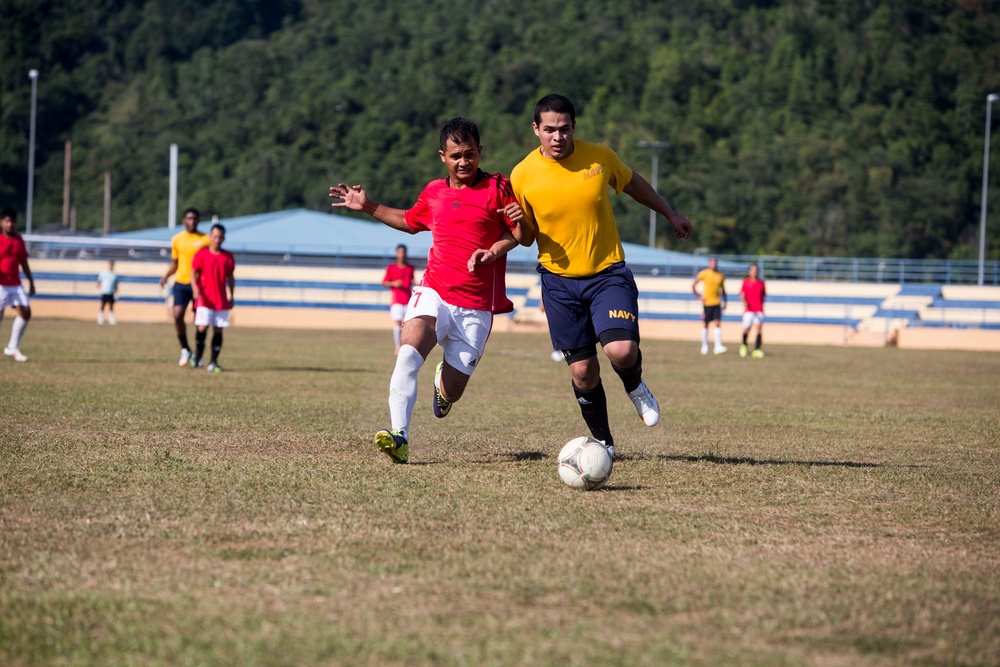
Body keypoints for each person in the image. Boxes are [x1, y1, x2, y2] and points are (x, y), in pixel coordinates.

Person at [330, 117, 528, 464]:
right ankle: (400, 436)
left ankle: (443, 387)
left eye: (469, 154)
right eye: (455, 155)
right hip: (434, 291)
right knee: (408, 352)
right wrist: (368, 206)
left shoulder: (500, 188)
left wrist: (506, 237)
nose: (463, 162)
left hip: (476, 306)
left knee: (453, 390)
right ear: (442, 156)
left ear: (480, 152)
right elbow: (409, 221)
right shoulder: (434, 192)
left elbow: (522, 236)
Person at [510, 94, 693, 461]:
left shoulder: (599, 157)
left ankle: (635, 385)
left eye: (564, 129)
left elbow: (633, 183)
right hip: (558, 282)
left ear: (574, 127)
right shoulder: (522, 174)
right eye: (549, 130)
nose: (557, 137)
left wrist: (670, 214)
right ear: (536, 130)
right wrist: (517, 221)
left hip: (607, 273)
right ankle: (604, 445)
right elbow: (527, 238)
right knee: (582, 371)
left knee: (621, 351)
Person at [159, 208, 208, 367]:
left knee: (199, 321)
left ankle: (198, 354)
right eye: (189, 218)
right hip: (181, 282)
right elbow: (175, 262)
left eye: (194, 218)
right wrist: (166, 276)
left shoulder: (206, 240)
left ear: (198, 220)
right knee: (177, 314)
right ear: (183, 220)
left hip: (199, 285)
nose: (191, 221)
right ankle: (185, 349)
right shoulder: (177, 239)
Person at [190, 224, 236, 372]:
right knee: (202, 327)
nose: (217, 240)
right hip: (204, 298)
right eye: (215, 236)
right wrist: (195, 289)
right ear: (210, 237)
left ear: (223, 239)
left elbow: (230, 277)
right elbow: (193, 272)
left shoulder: (227, 257)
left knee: (218, 330)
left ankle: (213, 362)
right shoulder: (202, 254)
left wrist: (232, 295)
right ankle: (198, 357)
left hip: (220, 299)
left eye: (220, 237)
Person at [0, 208, 35, 362]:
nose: (10, 224)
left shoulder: (19, 240)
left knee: (26, 312)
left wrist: (31, 281)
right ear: (1, 222)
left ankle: (12, 347)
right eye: (7, 221)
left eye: (12, 221)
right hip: (1, 284)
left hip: (15, 283)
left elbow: (23, 262)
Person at [383, 244, 415, 354]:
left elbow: (411, 281)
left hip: (408, 300)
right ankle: (398, 347)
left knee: (406, 325)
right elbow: (384, 282)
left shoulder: (410, 268)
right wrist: (394, 283)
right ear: (396, 253)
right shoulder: (391, 268)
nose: (402, 254)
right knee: (397, 323)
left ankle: (405, 345)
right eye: (400, 252)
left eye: (404, 252)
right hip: (396, 300)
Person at [692, 256, 727, 356]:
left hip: (717, 303)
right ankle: (705, 346)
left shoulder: (721, 275)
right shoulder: (704, 274)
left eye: (715, 262)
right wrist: (698, 297)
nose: (714, 264)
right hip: (707, 303)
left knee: (717, 323)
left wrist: (725, 302)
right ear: (709, 264)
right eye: (712, 262)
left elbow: (723, 290)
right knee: (706, 324)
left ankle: (717, 346)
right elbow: (693, 285)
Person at [739, 263, 766, 358]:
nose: (754, 272)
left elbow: (763, 296)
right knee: (747, 329)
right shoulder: (746, 282)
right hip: (749, 310)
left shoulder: (761, 283)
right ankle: (744, 345)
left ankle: (757, 349)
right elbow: (742, 294)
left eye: (756, 270)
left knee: (759, 329)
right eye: (753, 270)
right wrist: (745, 302)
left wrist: (761, 307)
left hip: (758, 310)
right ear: (750, 271)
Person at [96, 260, 119, 325]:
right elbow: (99, 281)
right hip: (105, 292)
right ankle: (100, 318)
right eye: (110, 264)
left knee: (111, 306)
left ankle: (111, 319)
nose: (111, 266)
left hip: (111, 292)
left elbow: (116, 284)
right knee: (103, 305)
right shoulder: (104, 273)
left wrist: (116, 292)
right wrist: (97, 289)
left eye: (112, 264)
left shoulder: (114, 274)